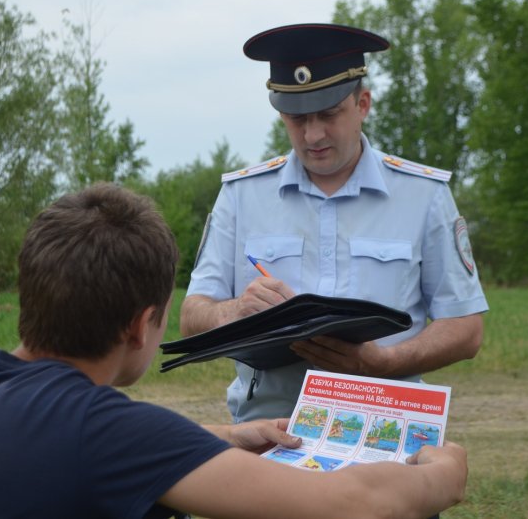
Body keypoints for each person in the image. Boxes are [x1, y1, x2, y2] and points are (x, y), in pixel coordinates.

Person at [0, 183, 468, 519]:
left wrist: (228, 437)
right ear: (142, 326)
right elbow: (353, 504)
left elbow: (45, 452)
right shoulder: (104, 431)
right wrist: (441, 476)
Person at [181, 23, 489, 423]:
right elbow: (192, 316)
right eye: (296, 118)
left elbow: (466, 327)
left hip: (384, 427)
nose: (312, 135)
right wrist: (236, 310)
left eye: (328, 114)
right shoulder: (242, 196)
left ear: (363, 103)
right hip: (271, 428)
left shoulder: (423, 194)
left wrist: (384, 362)